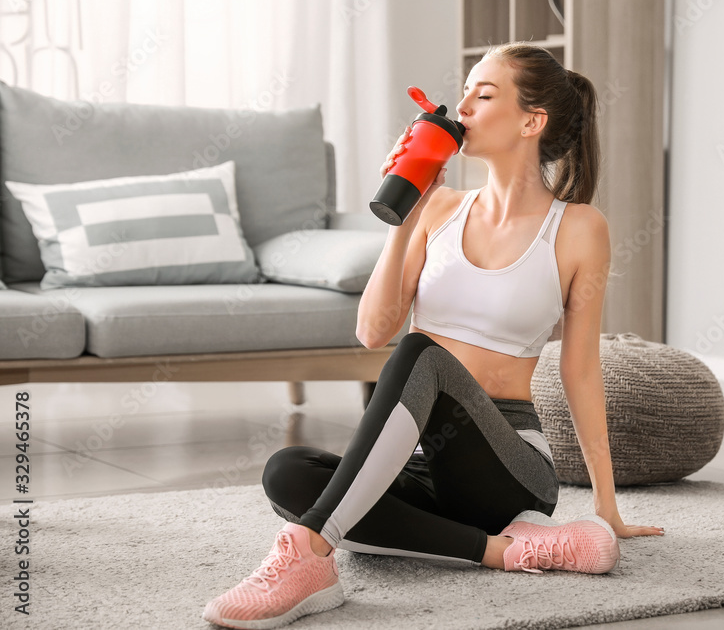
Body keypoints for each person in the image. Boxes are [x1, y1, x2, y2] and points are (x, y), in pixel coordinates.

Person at [202, 42, 665, 630]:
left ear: (532, 121)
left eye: (484, 93)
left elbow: (580, 371)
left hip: (509, 466)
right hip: (423, 457)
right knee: (286, 471)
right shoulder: (441, 207)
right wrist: (410, 209)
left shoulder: (577, 228)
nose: (462, 104)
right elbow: (372, 331)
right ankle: (508, 551)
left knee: (423, 351)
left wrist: (606, 505)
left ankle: (310, 553)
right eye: (465, 89)